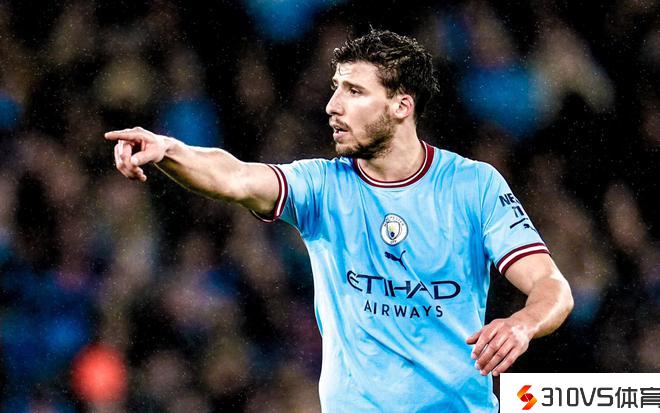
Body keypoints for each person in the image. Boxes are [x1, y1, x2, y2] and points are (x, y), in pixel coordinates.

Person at [105, 30, 573, 412]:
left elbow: (552, 287)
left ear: (401, 105)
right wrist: (170, 150)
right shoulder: (323, 187)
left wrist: (523, 323)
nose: (332, 105)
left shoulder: (473, 186)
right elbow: (236, 177)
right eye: (336, 88)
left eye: (354, 91)